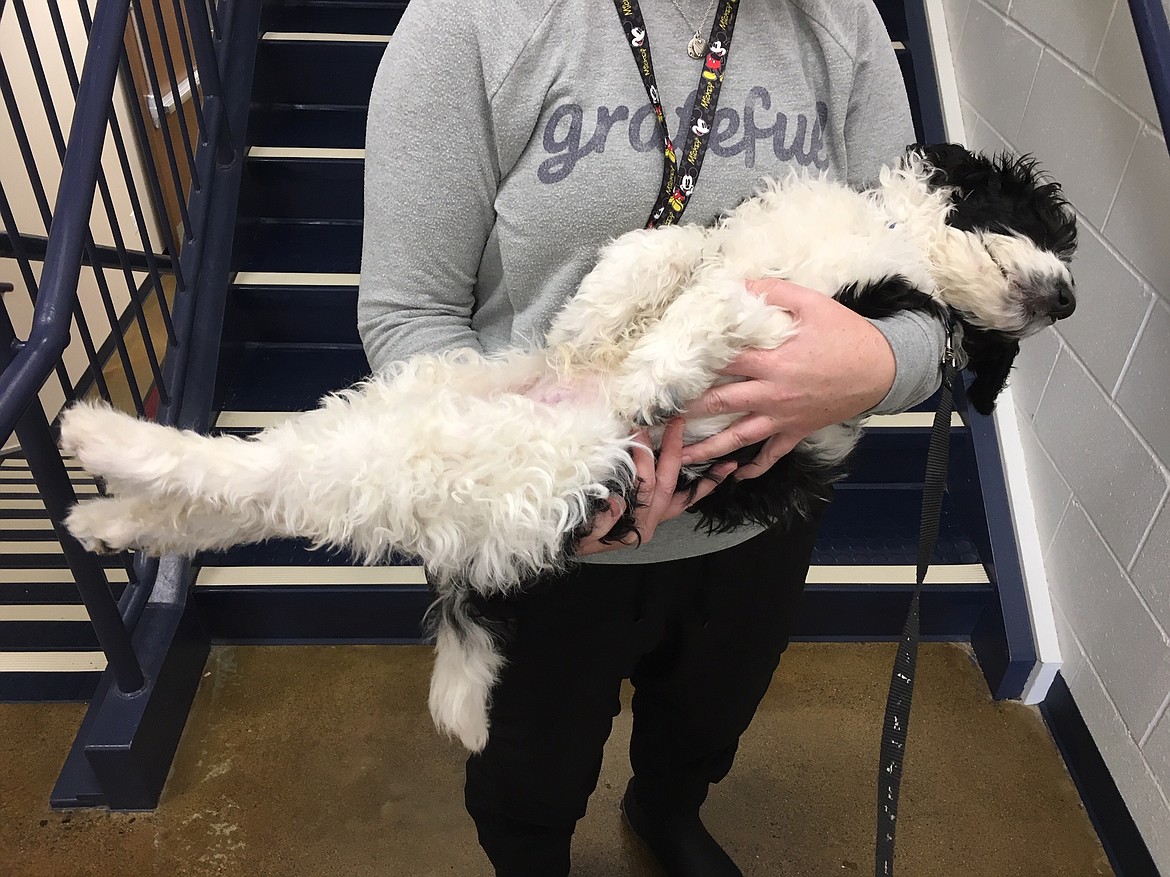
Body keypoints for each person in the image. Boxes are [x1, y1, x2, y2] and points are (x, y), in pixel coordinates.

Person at [358, 1, 946, 874]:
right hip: (548, 527)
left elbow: (926, 297)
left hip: (759, 510)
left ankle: (664, 806)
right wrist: (533, 468)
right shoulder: (469, 24)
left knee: (708, 717)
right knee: (527, 774)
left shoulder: (843, 23)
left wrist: (874, 364)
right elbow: (410, 312)